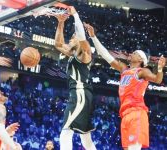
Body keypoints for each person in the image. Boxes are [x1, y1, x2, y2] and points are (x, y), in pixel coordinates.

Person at [84, 23, 166, 150]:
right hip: (125, 114)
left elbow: (158, 79)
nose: (131, 53)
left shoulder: (142, 71)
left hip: (137, 113)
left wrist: (160, 68)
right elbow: (106, 55)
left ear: (140, 59)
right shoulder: (124, 69)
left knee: (134, 148)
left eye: (134, 53)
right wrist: (93, 37)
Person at [54, 6, 96, 150]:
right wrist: (61, 23)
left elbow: (82, 40)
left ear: (79, 40)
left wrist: (75, 16)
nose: (70, 39)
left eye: (73, 37)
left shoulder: (84, 54)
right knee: (86, 138)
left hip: (79, 94)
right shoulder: (73, 54)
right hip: (83, 95)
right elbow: (58, 44)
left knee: (66, 131)